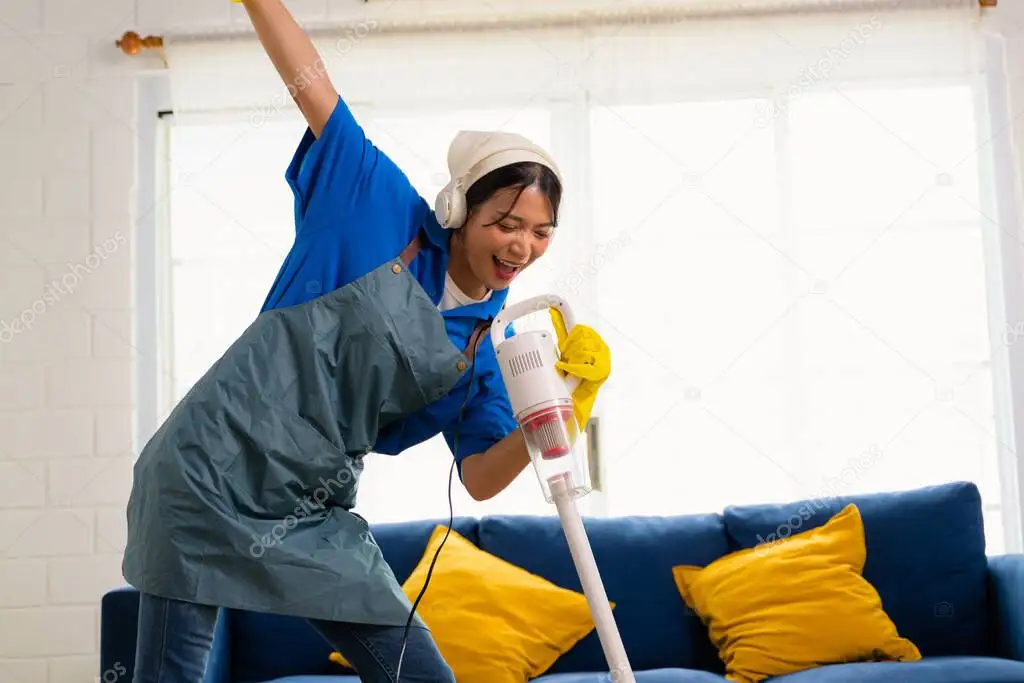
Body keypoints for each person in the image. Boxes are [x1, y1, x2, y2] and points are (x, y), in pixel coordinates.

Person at [121, 0, 611, 682]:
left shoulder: (485, 345)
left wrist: (560, 408)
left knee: (421, 676)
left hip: (310, 507)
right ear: (461, 207)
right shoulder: (374, 199)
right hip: (209, 471)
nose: (522, 246)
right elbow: (308, 78)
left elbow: (479, 478)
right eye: (506, 222)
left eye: (541, 231)